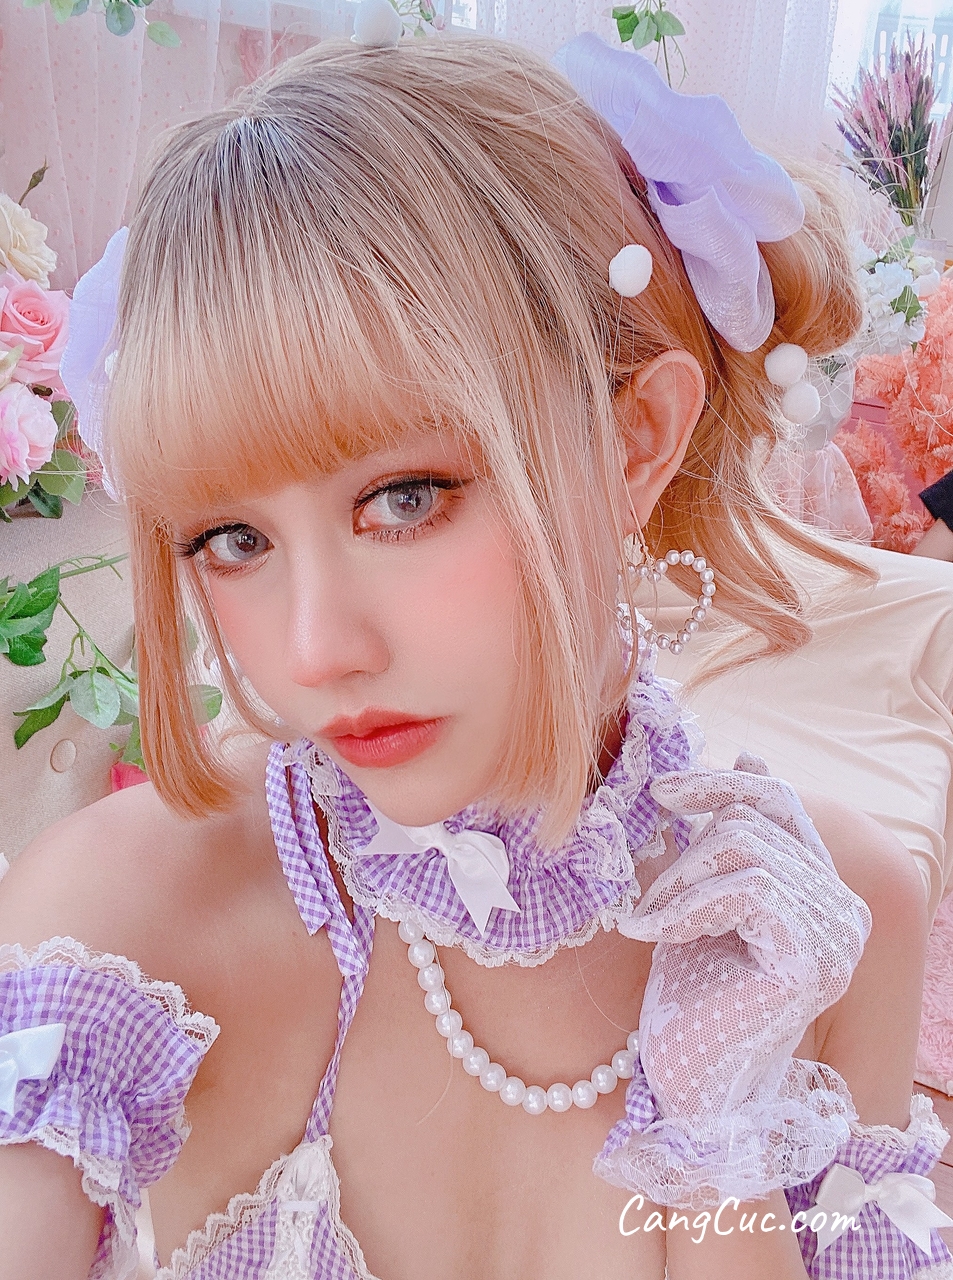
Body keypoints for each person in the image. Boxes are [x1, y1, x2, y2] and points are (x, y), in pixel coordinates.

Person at [0, 23, 943, 1280]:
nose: (315, 649)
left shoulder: (825, 918)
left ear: (635, 439)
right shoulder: (115, 924)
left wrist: (728, 1137)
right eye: (233, 538)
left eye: (404, 499)